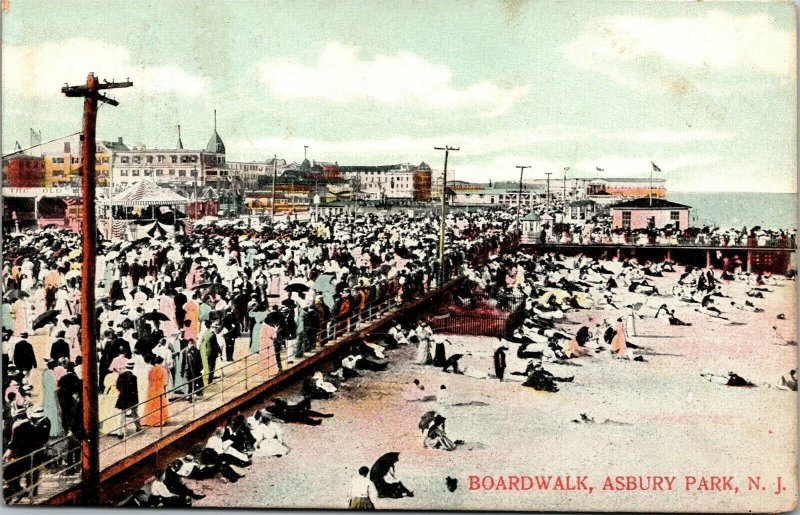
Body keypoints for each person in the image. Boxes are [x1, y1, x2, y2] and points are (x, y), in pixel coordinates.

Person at [115, 360, 142, 436]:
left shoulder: (121, 375)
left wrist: (122, 392)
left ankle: (120, 432)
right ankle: (138, 427)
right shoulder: (133, 377)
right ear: (133, 367)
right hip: (132, 398)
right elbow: (135, 389)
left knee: (122, 415)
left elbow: (117, 386)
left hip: (123, 397)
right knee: (135, 413)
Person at [142, 356, 169, 427]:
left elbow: (148, 379)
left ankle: (150, 420)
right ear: (161, 362)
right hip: (159, 388)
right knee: (159, 403)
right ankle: (159, 420)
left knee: (151, 404)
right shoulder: (163, 369)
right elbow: (165, 381)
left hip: (151, 388)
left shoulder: (151, 369)